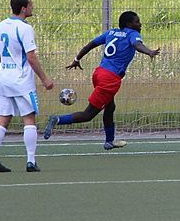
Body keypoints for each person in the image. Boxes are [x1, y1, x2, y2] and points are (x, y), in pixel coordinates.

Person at [43, 11, 160, 150]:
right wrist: (149, 52)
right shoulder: (132, 33)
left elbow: (90, 45)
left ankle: (109, 141)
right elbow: (137, 45)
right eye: (137, 21)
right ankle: (58, 120)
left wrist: (77, 59)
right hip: (110, 79)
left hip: (99, 73)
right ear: (129, 24)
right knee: (88, 115)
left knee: (110, 107)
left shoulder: (111, 32)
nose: (140, 24)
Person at [0, 0, 54, 173]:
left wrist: (0, 74)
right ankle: (31, 161)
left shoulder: (1, 25)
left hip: (4, 79)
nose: (32, 7)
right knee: (29, 118)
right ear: (23, 8)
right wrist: (44, 79)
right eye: (30, 4)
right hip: (22, 80)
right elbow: (31, 57)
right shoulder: (25, 28)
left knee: (3, 118)